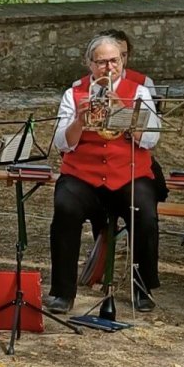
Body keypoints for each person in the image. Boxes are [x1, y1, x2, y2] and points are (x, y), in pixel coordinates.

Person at [45, 35, 162, 314]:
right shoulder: (73, 94)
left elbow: (150, 140)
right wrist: (79, 120)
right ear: (89, 64)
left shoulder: (140, 92)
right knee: (64, 208)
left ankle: (143, 287)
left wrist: (123, 112)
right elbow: (62, 143)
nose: (109, 68)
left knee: (145, 211)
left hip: (128, 172)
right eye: (101, 62)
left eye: (114, 61)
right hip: (82, 174)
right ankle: (62, 292)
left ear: (122, 61)